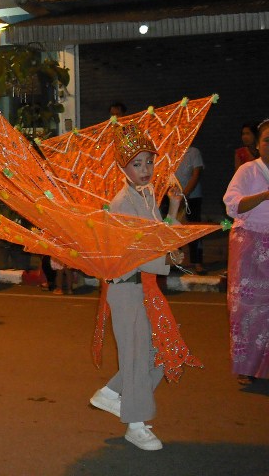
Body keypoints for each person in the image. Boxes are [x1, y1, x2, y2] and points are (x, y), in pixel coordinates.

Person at [89, 123, 183, 452]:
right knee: (137, 354)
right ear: (122, 168)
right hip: (126, 287)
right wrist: (167, 259)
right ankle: (136, 424)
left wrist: (171, 209)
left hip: (144, 287)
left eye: (149, 162)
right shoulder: (121, 204)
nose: (145, 170)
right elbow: (138, 253)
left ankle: (113, 394)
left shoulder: (146, 196)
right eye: (137, 164)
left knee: (162, 350)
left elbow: (158, 236)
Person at [223, 118, 269, 386]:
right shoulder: (248, 171)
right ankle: (248, 366)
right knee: (247, 308)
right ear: (259, 144)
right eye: (266, 140)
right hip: (249, 244)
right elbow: (232, 205)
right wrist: (263, 196)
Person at [174, 145, 205, 273]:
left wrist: (184, 195)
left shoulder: (193, 152)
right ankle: (175, 262)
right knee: (174, 229)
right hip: (173, 197)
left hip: (192, 197)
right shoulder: (171, 151)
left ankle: (197, 262)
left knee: (194, 229)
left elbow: (195, 175)